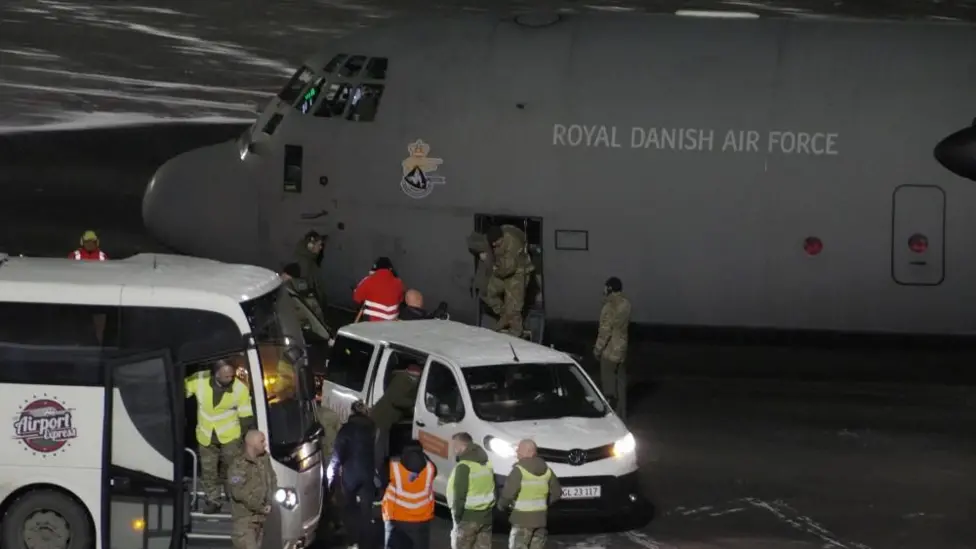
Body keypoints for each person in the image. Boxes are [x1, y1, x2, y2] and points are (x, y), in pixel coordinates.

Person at [185, 359, 255, 513]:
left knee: (233, 468)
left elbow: (245, 414)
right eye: (227, 376)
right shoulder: (200, 380)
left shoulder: (239, 388)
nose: (231, 379)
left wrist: (245, 437)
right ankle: (213, 500)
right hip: (206, 434)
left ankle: (233, 496)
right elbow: (183, 388)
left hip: (230, 436)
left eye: (232, 375)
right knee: (208, 471)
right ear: (216, 374)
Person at [330, 401, 378, 549]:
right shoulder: (373, 428)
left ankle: (353, 540)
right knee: (366, 511)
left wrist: (332, 475)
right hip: (368, 473)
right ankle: (366, 544)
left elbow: (337, 454)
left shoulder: (346, 429)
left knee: (349, 507)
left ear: (352, 412)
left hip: (350, 474)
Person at [497, 439, 561, 549]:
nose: (517, 452)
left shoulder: (519, 470)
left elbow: (508, 494)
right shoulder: (547, 470)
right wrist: (544, 504)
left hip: (521, 521)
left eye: (519, 449)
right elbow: (557, 493)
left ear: (529, 452)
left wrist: (501, 506)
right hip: (540, 520)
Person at [227, 429, 278, 549]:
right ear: (252, 443)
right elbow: (239, 492)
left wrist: (270, 502)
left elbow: (272, 479)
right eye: (262, 441)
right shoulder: (238, 463)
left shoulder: (264, 459)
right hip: (245, 523)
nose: (265, 444)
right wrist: (260, 507)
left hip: (261, 521)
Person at [482, 225, 535, 338]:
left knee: (514, 305)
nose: (494, 245)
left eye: (496, 242)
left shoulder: (512, 244)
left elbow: (508, 269)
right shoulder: (495, 240)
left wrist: (493, 268)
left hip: (518, 273)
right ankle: (505, 316)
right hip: (501, 269)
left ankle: (516, 331)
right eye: (492, 243)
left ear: (502, 237)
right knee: (488, 292)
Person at [381, 441, 435, 549]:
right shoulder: (431, 467)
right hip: (422, 518)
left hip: (396, 518)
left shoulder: (393, 466)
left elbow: (382, 482)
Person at [447, 432, 495, 549]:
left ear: (462, 446)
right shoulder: (487, 464)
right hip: (486, 517)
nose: (453, 450)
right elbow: (493, 489)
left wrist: (457, 516)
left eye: (454, 446)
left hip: (468, 518)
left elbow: (459, 495)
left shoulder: (464, 466)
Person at [593, 276, 632, 419]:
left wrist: (597, 350)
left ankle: (611, 417)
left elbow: (605, 332)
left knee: (609, 387)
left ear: (609, 288)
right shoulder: (626, 304)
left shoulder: (609, 307)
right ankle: (622, 416)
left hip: (609, 352)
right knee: (621, 385)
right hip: (621, 350)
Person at [369, 364, 421, 470]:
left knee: (382, 446)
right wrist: (414, 403)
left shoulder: (405, 380)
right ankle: (375, 469)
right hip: (382, 418)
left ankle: (379, 467)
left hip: (386, 419)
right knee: (379, 446)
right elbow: (396, 400)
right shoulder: (403, 381)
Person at [316, 404, 344, 539]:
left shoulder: (314, 415)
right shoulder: (329, 414)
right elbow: (339, 433)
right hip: (327, 457)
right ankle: (334, 520)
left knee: (328, 490)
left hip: (323, 457)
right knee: (331, 490)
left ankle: (332, 519)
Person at [353, 257, 405, 321]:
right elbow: (401, 300)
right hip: (392, 321)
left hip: (372, 321)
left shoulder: (368, 280)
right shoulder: (399, 283)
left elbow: (356, 298)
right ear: (390, 269)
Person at [294, 230, 326, 309]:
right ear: (310, 245)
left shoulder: (310, 260)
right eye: (319, 244)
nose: (321, 247)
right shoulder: (304, 263)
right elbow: (304, 289)